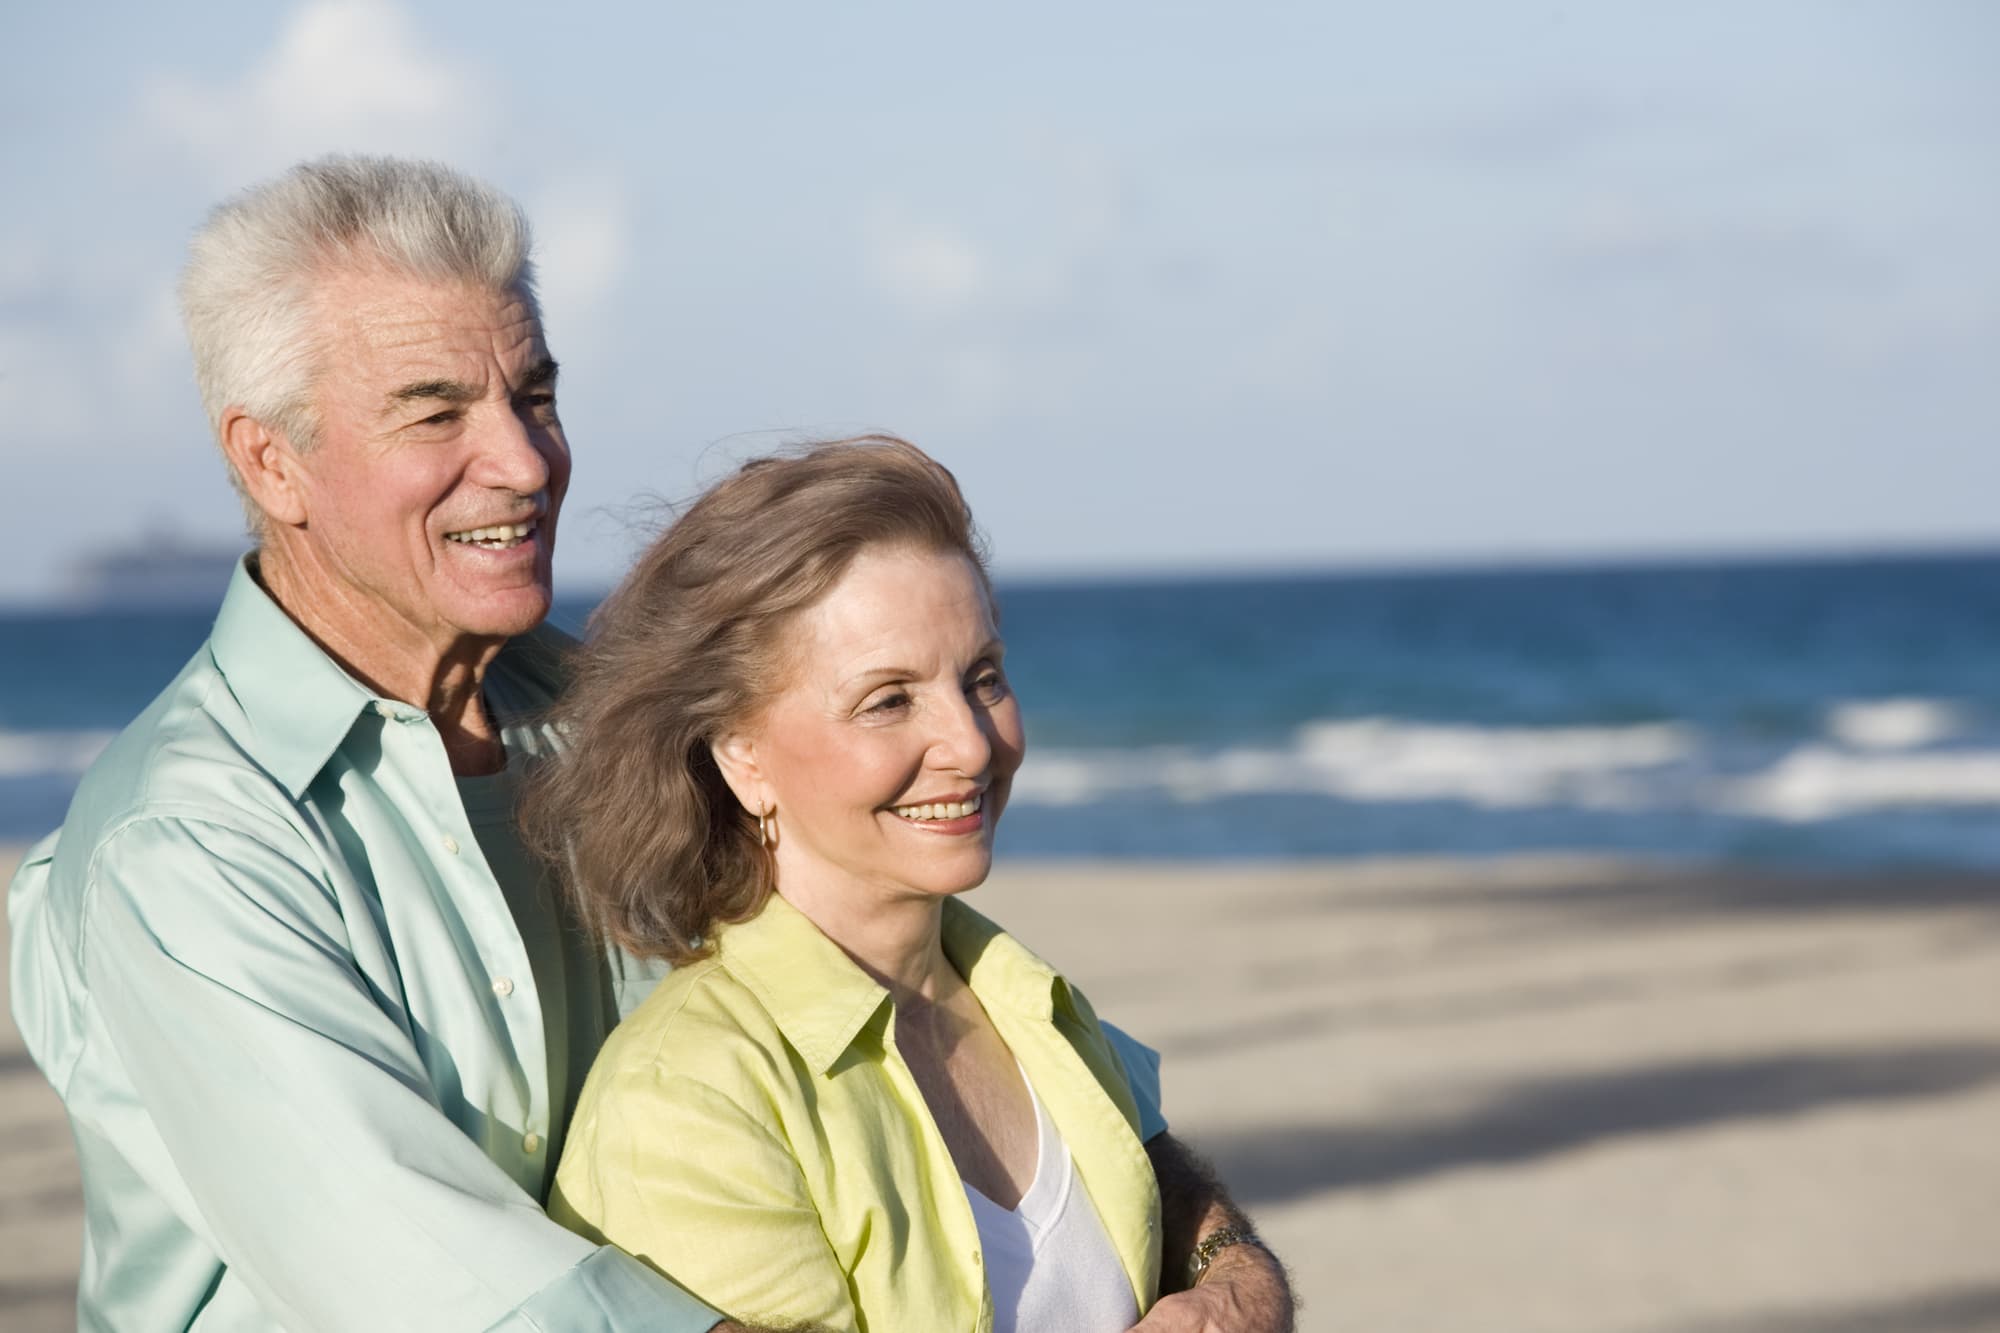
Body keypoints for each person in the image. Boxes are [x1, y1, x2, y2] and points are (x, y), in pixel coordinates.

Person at [5, 155, 1291, 1331]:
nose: (521, 460)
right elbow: (449, 1291)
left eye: (535, 393)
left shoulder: (607, 713)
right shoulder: (181, 846)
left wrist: (1226, 1275)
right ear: (272, 463)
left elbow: (923, 999)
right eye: (434, 411)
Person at [532, 437, 1292, 1332]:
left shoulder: (1029, 1002)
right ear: (739, 755)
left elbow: (1166, 1176)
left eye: (983, 677)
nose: (972, 744)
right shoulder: (688, 1099)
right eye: (888, 699)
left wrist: (1231, 1279)